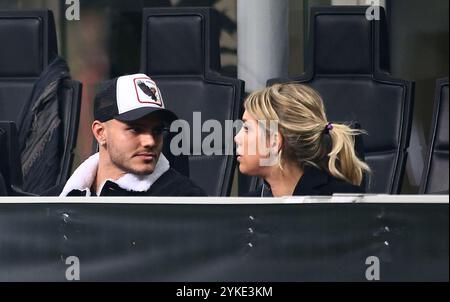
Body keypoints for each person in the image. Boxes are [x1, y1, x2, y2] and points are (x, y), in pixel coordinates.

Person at [45, 73, 206, 197]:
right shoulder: (53, 202)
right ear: (100, 133)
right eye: (135, 129)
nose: (150, 141)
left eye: (157, 130)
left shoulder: (185, 202)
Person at [234, 83, 370, 197]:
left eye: (247, 128)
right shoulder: (249, 207)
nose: (236, 138)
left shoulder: (338, 204)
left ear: (274, 142)